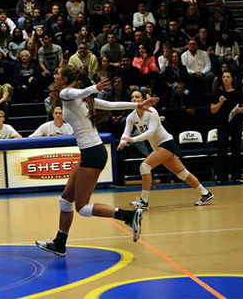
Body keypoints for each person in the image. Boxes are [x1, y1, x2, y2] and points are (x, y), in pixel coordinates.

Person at [35, 65, 159, 256]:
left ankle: (129, 216)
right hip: (91, 152)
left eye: (57, 73)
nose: (54, 74)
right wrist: (137, 105)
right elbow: (109, 105)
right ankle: (60, 243)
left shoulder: (67, 93)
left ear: (65, 80)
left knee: (82, 208)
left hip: (92, 152)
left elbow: (80, 91)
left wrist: (94, 89)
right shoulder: (80, 98)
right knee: (65, 199)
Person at [119, 90, 213, 210]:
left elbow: (151, 132)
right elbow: (125, 133)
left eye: (137, 97)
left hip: (166, 143)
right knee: (182, 173)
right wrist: (123, 142)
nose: (134, 99)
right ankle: (205, 193)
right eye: (132, 97)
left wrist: (133, 139)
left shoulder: (152, 111)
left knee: (145, 166)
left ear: (143, 99)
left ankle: (144, 201)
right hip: (158, 146)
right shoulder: (131, 117)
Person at [211, 72, 243, 184]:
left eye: (228, 77)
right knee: (222, 148)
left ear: (232, 79)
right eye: (224, 77)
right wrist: (220, 103)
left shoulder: (237, 92)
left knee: (236, 148)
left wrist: (240, 110)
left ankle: (236, 175)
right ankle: (221, 176)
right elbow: (212, 109)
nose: (225, 79)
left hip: (236, 123)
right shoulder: (218, 93)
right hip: (222, 123)